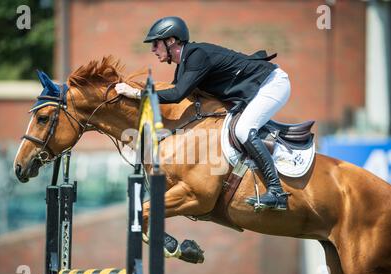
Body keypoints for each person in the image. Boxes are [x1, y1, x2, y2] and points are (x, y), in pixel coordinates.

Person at [115, 16, 291, 211]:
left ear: (171, 40)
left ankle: (277, 192)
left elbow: (176, 95)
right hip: (256, 89)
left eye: (156, 44)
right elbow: (173, 94)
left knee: (243, 130)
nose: (153, 50)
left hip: (272, 84)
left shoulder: (196, 56)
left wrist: (137, 93)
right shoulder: (184, 64)